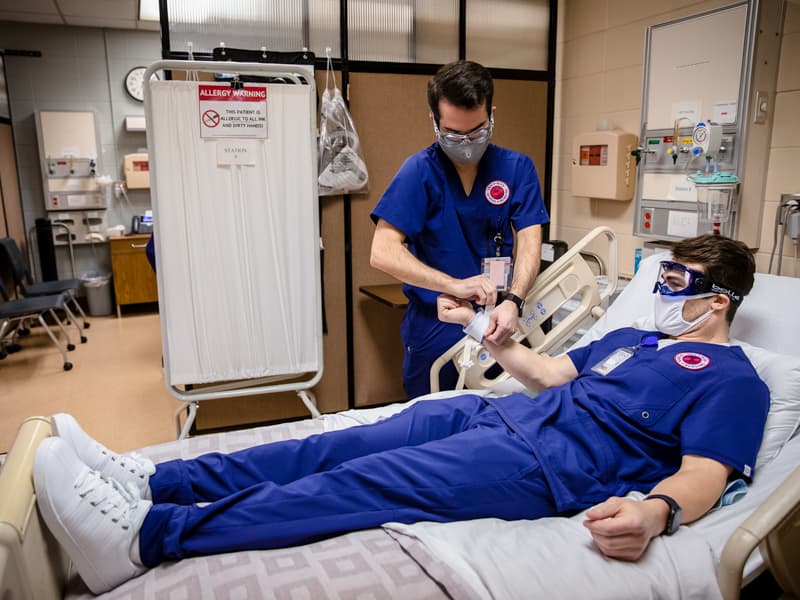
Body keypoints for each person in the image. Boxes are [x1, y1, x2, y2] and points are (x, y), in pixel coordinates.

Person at [34, 234, 769, 595]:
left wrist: (658, 514)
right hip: (495, 416)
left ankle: (145, 539)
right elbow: (545, 374)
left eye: (678, 280)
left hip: (546, 466)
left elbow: (706, 473)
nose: (662, 288)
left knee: (370, 481)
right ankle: (154, 481)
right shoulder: (631, 337)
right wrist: (486, 333)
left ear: (718, 301)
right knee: (336, 445)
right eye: (661, 275)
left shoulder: (736, 380)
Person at [370, 60, 549, 398]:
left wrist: (515, 300)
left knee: (499, 423)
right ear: (434, 122)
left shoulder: (516, 168)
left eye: (477, 131)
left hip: (499, 321)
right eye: (453, 134)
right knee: (432, 424)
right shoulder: (419, 171)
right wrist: (454, 285)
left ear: (492, 114)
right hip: (436, 322)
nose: (466, 143)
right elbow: (382, 252)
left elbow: (529, 243)